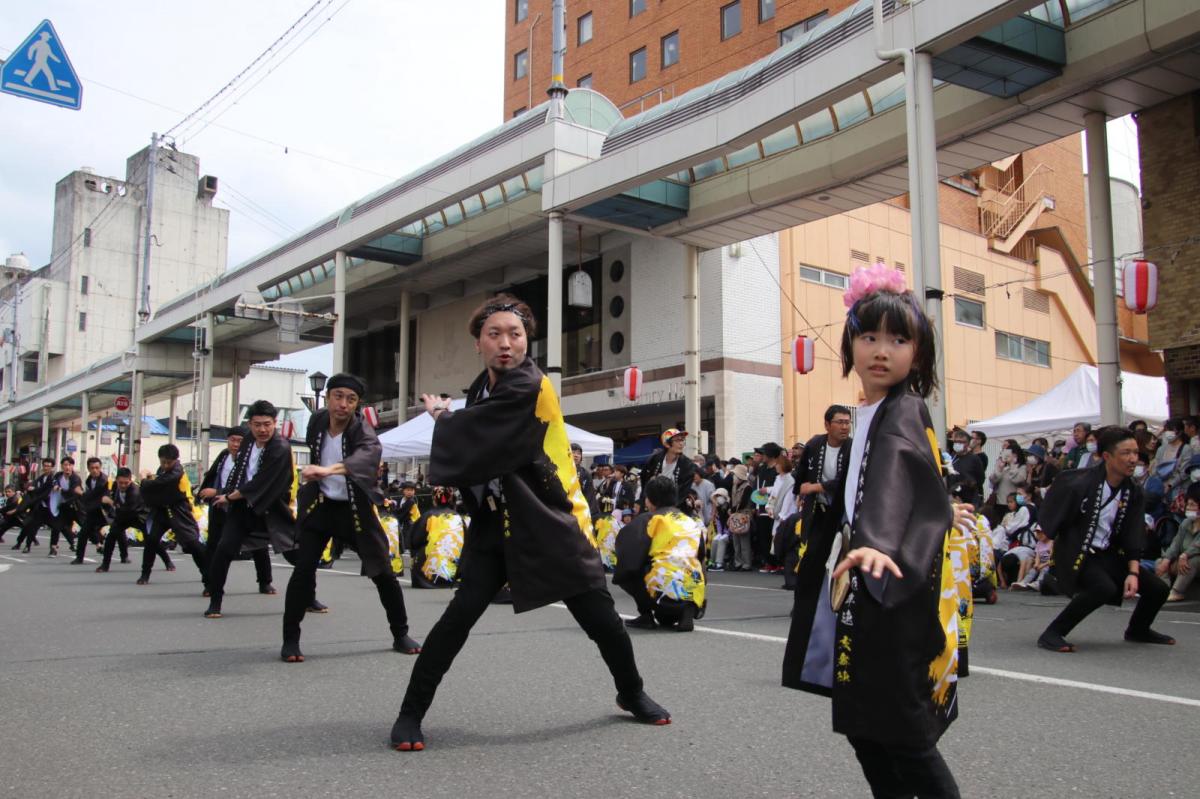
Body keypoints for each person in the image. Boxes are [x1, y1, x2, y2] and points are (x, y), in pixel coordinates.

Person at [390, 294, 669, 752]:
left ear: (527, 340)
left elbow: (475, 430)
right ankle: (410, 713)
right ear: (478, 342)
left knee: (601, 618)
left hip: (549, 519)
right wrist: (449, 415)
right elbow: (475, 431)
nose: (506, 343)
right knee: (457, 619)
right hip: (495, 525)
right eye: (494, 334)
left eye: (515, 334)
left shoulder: (529, 384)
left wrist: (441, 414)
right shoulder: (481, 388)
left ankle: (631, 691)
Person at [783, 264, 964, 798]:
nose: (881, 351)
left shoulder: (901, 412)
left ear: (919, 353)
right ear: (850, 345)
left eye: (898, 340)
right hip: (869, 581)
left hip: (890, 582)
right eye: (869, 338)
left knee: (901, 730)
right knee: (866, 721)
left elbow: (892, 481)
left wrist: (876, 542)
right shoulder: (873, 411)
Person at [279, 376, 419, 659]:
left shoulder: (361, 430)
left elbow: (367, 455)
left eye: (351, 399)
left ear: (357, 405)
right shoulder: (317, 422)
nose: (343, 404)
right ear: (328, 397)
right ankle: (290, 640)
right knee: (303, 571)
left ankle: (400, 633)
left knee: (383, 573)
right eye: (338, 396)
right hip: (321, 506)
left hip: (355, 510)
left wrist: (327, 470)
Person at [1036, 426, 1174, 653]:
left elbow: (1132, 535)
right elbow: (1053, 513)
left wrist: (1133, 573)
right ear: (1107, 456)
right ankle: (1052, 633)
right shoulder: (1080, 483)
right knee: (1103, 588)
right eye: (1126, 453)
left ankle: (1138, 630)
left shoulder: (1133, 491)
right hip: (1077, 551)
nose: (1133, 459)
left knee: (1158, 589)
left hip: (1108, 553)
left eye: (1135, 453)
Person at [202, 401, 295, 617]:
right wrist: (228, 493)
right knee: (223, 550)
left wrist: (229, 496)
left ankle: (309, 597)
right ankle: (215, 601)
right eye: (257, 424)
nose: (262, 429)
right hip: (242, 508)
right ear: (250, 424)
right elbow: (238, 473)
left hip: (271, 508)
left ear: (275, 423)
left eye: (267, 424)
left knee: (296, 555)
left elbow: (263, 482)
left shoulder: (280, 448)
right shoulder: (248, 442)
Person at [780, 404, 854, 659]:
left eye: (847, 422)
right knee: (811, 560)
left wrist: (816, 487)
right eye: (840, 422)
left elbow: (847, 480)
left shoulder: (853, 447)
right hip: (818, 513)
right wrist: (802, 491)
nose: (845, 427)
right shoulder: (814, 445)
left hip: (843, 514)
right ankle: (804, 607)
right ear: (827, 425)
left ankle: (842, 608)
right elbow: (801, 476)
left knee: (843, 562)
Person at [614, 475, 706, 632]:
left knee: (628, 571)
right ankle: (686, 609)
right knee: (694, 566)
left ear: (650, 500)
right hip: (694, 586)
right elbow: (701, 555)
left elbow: (628, 552)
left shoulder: (649, 519)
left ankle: (646, 615)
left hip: (662, 584)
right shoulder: (691, 521)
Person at [197, 426, 275, 594]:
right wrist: (205, 494)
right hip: (219, 506)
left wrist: (218, 492)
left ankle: (265, 581)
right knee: (214, 545)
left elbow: (248, 485)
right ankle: (210, 584)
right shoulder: (224, 456)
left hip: (242, 507)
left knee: (258, 545)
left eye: (240, 441)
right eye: (232, 440)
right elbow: (212, 476)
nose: (235, 444)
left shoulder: (250, 458)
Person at [138, 444, 208, 587]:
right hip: (162, 511)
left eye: (168, 462)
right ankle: (145, 574)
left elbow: (156, 484)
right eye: (162, 462)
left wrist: (144, 479)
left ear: (176, 460)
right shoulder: (163, 471)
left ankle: (208, 578)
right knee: (151, 540)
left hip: (179, 511)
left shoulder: (176, 472)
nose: (165, 465)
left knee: (193, 544)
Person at [410, 487, 465, 589]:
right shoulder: (458, 517)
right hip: (455, 564)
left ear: (434, 499)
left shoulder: (428, 516)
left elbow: (415, 540)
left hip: (429, 570)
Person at [96, 468, 148, 572]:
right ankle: (105, 565)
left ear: (130, 480)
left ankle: (167, 561)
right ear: (116, 480)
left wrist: (111, 502)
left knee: (151, 540)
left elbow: (128, 509)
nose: (123, 485)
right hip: (123, 516)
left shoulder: (134, 491)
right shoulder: (115, 486)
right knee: (111, 537)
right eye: (120, 483)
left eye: (126, 483)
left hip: (138, 516)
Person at [1156, 486, 1200, 602]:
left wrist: (1185, 555)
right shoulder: (1186, 523)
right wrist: (1167, 559)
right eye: (1188, 504)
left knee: (1193, 561)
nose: (1188, 508)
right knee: (1160, 562)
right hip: (1182, 561)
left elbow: (1197, 546)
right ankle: (1164, 590)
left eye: (1192, 505)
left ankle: (1177, 592)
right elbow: (1176, 543)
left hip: (1193, 562)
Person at [641, 429, 697, 512]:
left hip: (676, 508)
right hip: (653, 505)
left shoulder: (687, 465)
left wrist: (668, 509)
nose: (681, 443)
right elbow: (644, 479)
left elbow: (683, 492)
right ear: (667, 444)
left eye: (682, 440)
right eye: (677, 440)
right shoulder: (654, 459)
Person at [70, 457, 111, 564]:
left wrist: (81, 493)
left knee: (117, 532)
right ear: (88, 468)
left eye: (97, 467)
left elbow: (95, 493)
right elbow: (90, 497)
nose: (95, 470)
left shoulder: (103, 479)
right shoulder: (89, 479)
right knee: (84, 533)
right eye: (92, 468)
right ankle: (79, 558)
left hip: (105, 511)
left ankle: (124, 555)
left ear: (100, 468)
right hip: (93, 510)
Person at [13, 458, 56, 553]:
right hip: (39, 508)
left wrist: (35, 490)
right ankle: (25, 545)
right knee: (31, 526)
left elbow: (45, 492)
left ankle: (69, 544)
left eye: (48, 466)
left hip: (50, 508)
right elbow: (32, 487)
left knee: (58, 527)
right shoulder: (40, 478)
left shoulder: (53, 479)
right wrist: (30, 488)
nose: (46, 468)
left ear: (52, 467)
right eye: (45, 466)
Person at [46, 457, 83, 557]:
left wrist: (60, 489)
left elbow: (72, 493)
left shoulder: (75, 478)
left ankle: (98, 544)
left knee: (85, 526)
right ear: (62, 466)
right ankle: (53, 548)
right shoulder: (58, 475)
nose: (67, 467)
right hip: (63, 507)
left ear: (72, 466)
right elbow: (53, 482)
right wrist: (55, 485)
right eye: (65, 465)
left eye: (69, 465)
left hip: (75, 507)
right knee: (56, 527)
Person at [950, 430, 985, 509]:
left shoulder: (974, 459)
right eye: (956, 441)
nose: (958, 444)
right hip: (952, 498)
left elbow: (980, 479)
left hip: (969, 499)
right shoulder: (951, 457)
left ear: (968, 444)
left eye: (961, 442)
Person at [1011, 526, 1052, 591]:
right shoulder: (1039, 543)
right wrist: (1036, 564)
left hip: (1049, 563)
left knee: (1044, 569)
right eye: (1038, 533)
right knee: (1033, 570)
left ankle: (1038, 583)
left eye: (1041, 533)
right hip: (1041, 562)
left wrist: (1043, 565)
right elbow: (1038, 556)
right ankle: (1024, 582)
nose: (1039, 535)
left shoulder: (1052, 543)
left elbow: (1052, 559)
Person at [571, 443, 599, 520]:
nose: (576, 455)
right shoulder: (561, 471)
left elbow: (589, 495)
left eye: (578, 453)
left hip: (580, 509)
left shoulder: (585, 473)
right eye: (573, 452)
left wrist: (590, 512)